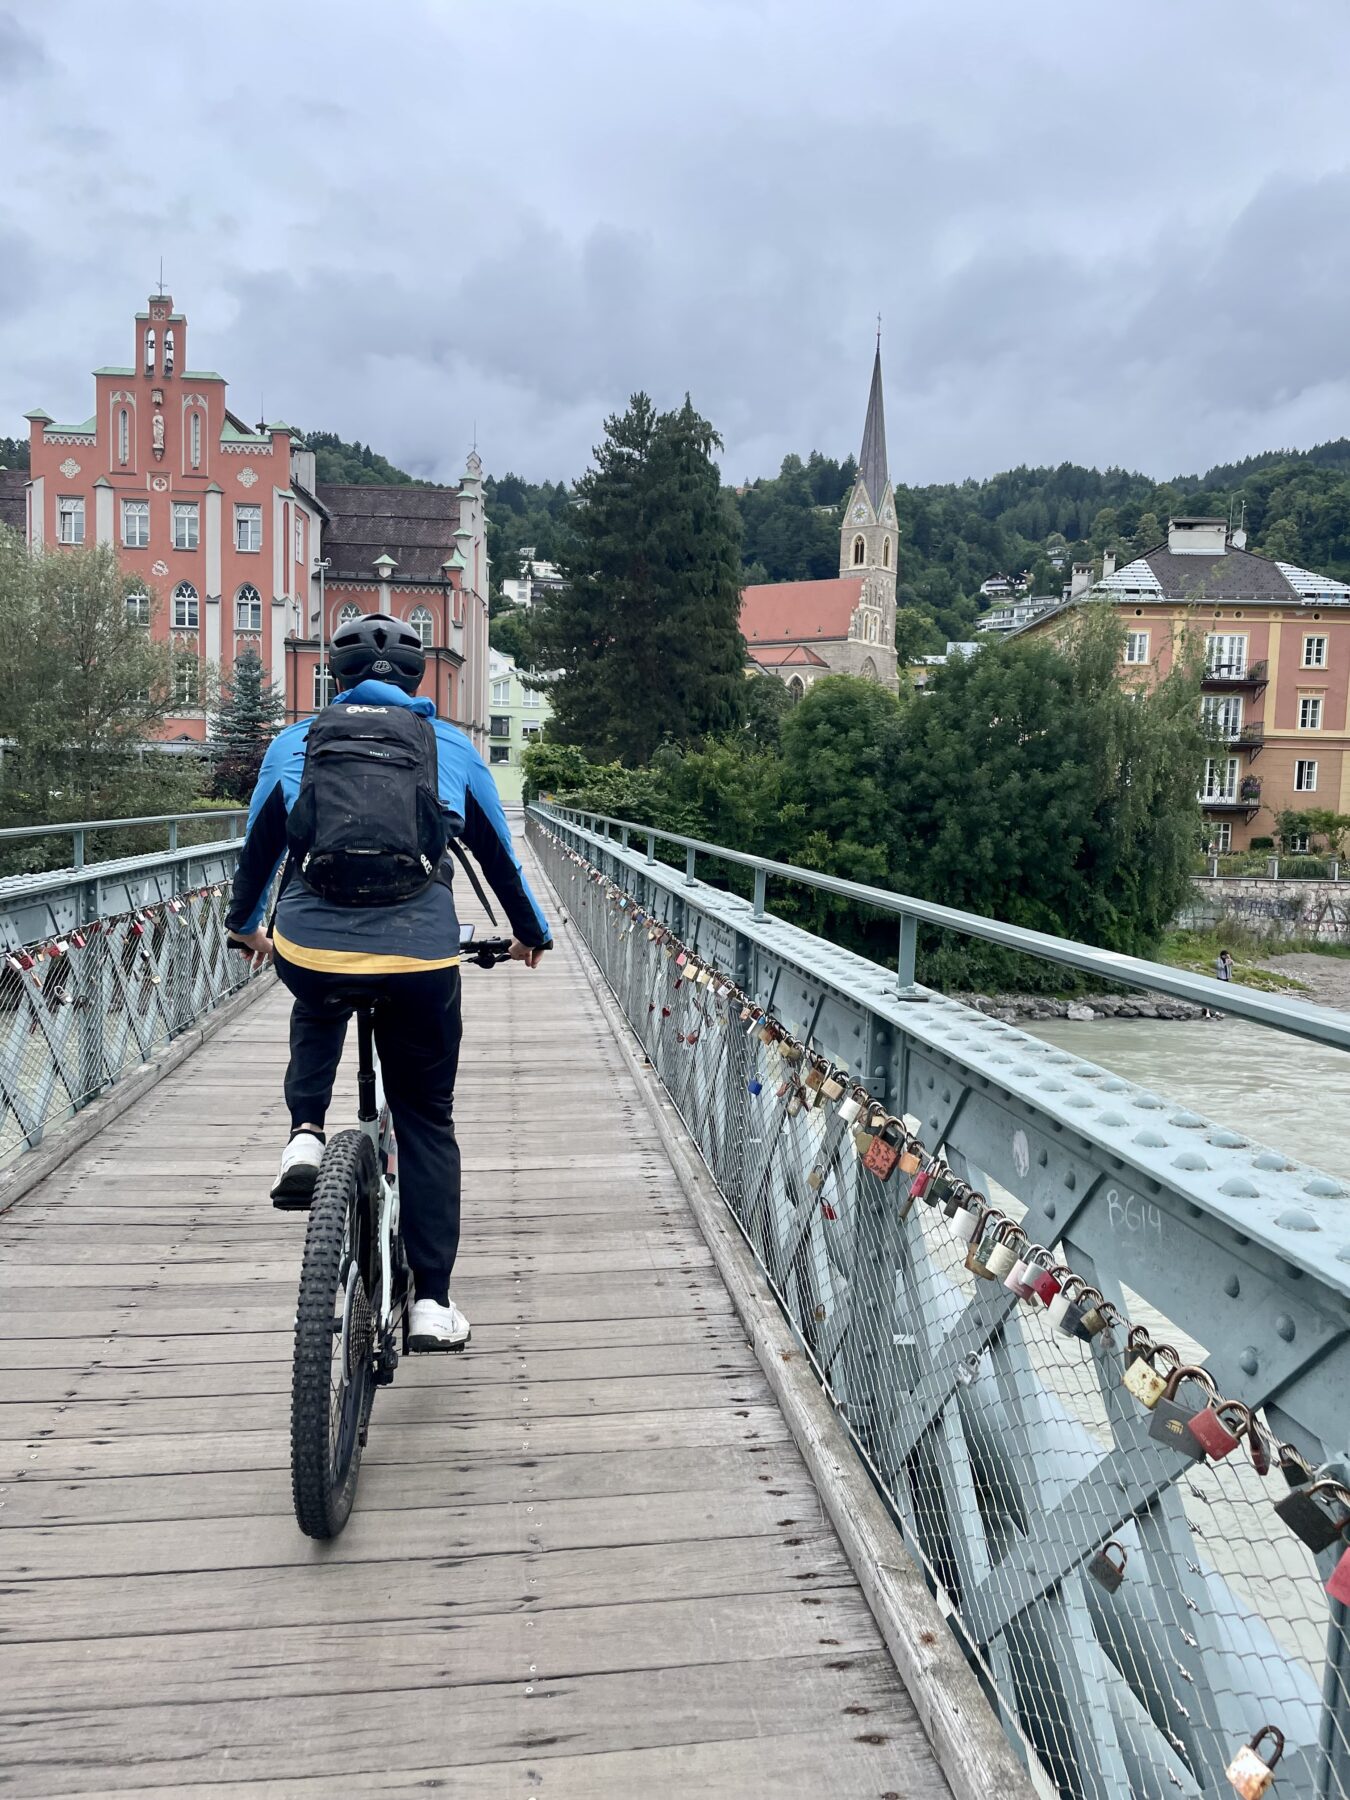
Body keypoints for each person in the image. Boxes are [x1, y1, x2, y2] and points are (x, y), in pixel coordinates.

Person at [224, 613, 552, 1352]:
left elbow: (258, 853)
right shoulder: (450, 746)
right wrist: (533, 934)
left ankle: (305, 1135)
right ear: (418, 678)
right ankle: (433, 1304)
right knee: (428, 1117)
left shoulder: (296, 743)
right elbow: (500, 857)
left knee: (312, 982)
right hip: (419, 953)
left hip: (313, 943)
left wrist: (247, 927)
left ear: (335, 679)